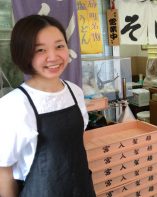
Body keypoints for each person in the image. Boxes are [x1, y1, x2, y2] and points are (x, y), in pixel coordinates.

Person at [0, 15, 95, 197]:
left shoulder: (75, 92)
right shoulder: (13, 105)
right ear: (24, 53)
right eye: (40, 50)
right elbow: (3, 171)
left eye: (59, 46)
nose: (53, 57)